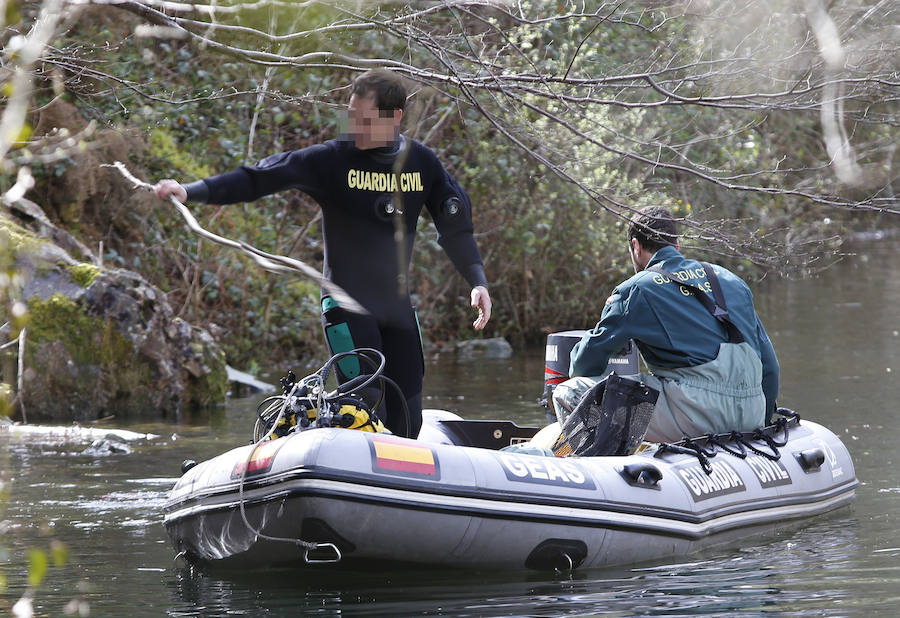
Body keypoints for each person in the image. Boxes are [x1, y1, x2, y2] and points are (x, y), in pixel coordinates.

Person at [155, 68, 492, 438]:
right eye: (351, 116)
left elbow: (454, 223)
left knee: (408, 418)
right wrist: (192, 191)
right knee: (366, 401)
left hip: (398, 309)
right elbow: (260, 177)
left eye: (365, 119)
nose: (355, 126)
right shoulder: (333, 159)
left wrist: (477, 281)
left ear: (394, 117)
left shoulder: (422, 163)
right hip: (345, 306)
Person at [552, 206, 779, 443]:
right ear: (677, 244)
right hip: (751, 412)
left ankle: (601, 469)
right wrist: (759, 423)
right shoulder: (731, 280)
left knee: (569, 392)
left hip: (696, 416)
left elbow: (582, 366)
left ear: (636, 247)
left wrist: (610, 313)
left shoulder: (636, 289)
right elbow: (770, 367)